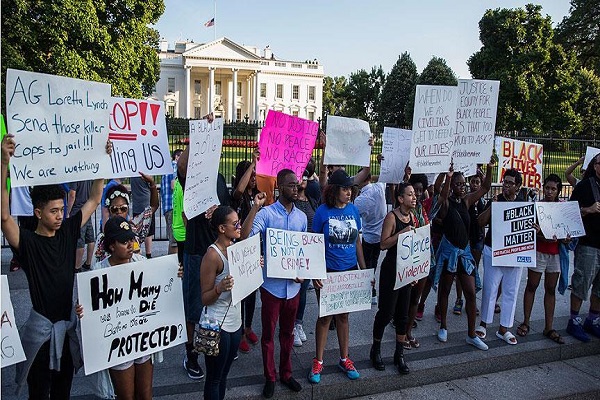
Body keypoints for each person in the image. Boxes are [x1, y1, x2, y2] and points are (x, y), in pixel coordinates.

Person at [1, 134, 111, 398]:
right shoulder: (27, 242)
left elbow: (94, 199)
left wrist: (102, 158)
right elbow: (4, 216)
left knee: (63, 393)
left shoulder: (69, 231)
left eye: (62, 209)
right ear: (38, 213)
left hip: (67, 332)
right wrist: (3, 163)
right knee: (38, 393)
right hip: (40, 337)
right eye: (54, 211)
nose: (61, 215)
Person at [240, 169, 305, 398]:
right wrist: (255, 208)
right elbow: (247, 237)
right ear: (279, 186)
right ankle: (270, 376)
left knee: (287, 334)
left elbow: (303, 250)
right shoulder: (266, 214)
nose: (295, 188)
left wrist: (304, 272)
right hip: (271, 287)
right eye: (290, 185)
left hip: (294, 287)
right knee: (268, 335)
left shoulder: (301, 218)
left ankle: (286, 373)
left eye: (296, 184)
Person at [76, 216, 155, 400]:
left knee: (145, 395)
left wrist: (175, 274)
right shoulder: (97, 273)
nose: (130, 245)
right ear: (111, 246)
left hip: (143, 340)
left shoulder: (142, 262)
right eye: (124, 241)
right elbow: (87, 308)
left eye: (131, 239)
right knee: (126, 396)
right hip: (118, 347)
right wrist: (81, 310)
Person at [177, 124, 232, 381]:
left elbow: (228, 210)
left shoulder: (219, 178)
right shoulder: (193, 174)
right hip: (196, 250)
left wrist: (216, 212)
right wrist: (197, 137)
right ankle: (191, 355)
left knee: (216, 300)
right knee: (193, 306)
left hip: (218, 251)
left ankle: (214, 344)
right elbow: (182, 166)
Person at [309, 169, 366, 384]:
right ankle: (318, 361)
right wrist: (315, 272)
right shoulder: (322, 212)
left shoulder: (353, 211)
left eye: (350, 188)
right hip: (327, 271)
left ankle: (344, 358)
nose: (349, 192)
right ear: (334, 190)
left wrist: (364, 270)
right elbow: (314, 244)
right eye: (344, 189)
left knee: (343, 316)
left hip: (349, 270)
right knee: (325, 317)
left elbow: (357, 242)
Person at [435, 159, 493, 351]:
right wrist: (448, 178)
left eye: (462, 184)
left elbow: (485, 187)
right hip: (449, 253)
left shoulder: (467, 201)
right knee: (445, 290)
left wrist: (490, 168)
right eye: (457, 184)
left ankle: (471, 334)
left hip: (465, 254)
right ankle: (443, 326)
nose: (461, 187)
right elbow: (441, 197)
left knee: (470, 292)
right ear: (451, 186)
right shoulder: (446, 204)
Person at [370, 182, 419, 374]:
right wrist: (401, 233)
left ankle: (399, 354)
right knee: (386, 312)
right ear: (400, 199)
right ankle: (376, 349)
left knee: (403, 314)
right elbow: (383, 244)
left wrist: (414, 271)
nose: (414, 197)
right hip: (391, 269)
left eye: (414, 194)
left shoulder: (412, 216)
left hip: (406, 270)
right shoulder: (392, 217)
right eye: (410, 194)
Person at [475, 168, 524, 346]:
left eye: (510, 183)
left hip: (514, 253)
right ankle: (483, 324)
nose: (506, 186)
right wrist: (492, 207)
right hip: (493, 250)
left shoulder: (522, 202)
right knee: (490, 288)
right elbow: (480, 222)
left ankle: (504, 328)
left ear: (518, 186)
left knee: (511, 290)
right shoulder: (496, 200)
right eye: (505, 182)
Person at [518, 174, 568, 344]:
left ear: (558, 191)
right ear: (543, 188)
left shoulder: (562, 208)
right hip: (538, 252)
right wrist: (540, 234)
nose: (549, 191)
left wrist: (566, 238)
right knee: (532, 285)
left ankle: (549, 326)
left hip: (554, 254)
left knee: (551, 288)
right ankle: (526, 322)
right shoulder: (536, 207)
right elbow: (530, 232)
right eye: (547, 188)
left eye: (553, 189)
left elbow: (565, 232)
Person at [199, 206, 243, 400]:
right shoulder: (212, 255)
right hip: (218, 323)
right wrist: (219, 288)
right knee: (215, 378)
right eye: (235, 223)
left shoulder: (236, 248)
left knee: (224, 374)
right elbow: (204, 298)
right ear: (222, 228)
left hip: (235, 321)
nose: (239, 226)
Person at [566, 153, 600, 342]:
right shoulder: (585, 186)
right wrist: (589, 209)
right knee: (581, 283)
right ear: (595, 165)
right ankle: (574, 320)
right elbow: (568, 213)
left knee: (599, 288)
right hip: (589, 244)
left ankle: (593, 319)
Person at [231, 154, 260, 354]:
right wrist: (252, 163)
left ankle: (248, 326)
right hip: (239, 248)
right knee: (241, 294)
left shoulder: (258, 195)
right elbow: (239, 190)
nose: (254, 178)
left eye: (255, 175)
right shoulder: (238, 198)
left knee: (252, 293)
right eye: (251, 174)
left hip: (254, 247)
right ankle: (240, 333)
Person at [93, 176, 158, 264]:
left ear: (127, 209)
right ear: (109, 210)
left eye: (123, 208)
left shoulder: (134, 227)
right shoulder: (102, 238)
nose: (119, 212)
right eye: (114, 209)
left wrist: (152, 184)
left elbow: (153, 206)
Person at [453, 171, 486, 315]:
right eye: (472, 182)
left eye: (477, 182)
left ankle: (470, 302)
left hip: (477, 239)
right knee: (460, 272)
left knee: (472, 270)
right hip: (463, 243)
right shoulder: (463, 201)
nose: (474, 185)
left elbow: (486, 187)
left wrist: (489, 170)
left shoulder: (481, 201)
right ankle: (459, 299)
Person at [293, 169, 319, 347]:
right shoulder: (291, 201)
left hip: (309, 252)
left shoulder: (313, 199)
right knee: (294, 290)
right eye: (298, 176)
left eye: (305, 176)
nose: (302, 180)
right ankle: (290, 324)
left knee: (303, 290)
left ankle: (298, 323)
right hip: (293, 251)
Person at [354, 170, 387, 305]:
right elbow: (383, 176)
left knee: (367, 265)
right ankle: (372, 291)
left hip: (369, 236)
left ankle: (370, 291)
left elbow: (355, 215)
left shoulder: (361, 199)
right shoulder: (379, 187)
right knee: (373, 262)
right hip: (381, 235)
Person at [67, 180, 95, 272]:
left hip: (77, 210)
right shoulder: (88, 176)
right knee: (90, 238)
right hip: (88, 208)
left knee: (79, 239)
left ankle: (77, 266)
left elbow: (72, 195)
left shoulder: (75, 177)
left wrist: (68, 212)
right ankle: (88, 263)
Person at [162, 149, 183, 255]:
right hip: (174, 207)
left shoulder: (167, 168)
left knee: (172, 240)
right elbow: (173, 184)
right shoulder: (175, 166)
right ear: (177, 157)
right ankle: (176, 267)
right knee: (175, 241)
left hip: (168, 207)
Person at [130, 175, 156, 258]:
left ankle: (138, 252)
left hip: (137, 206)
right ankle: (148, 254)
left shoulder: (132, 173)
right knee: (148, 230)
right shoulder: (146, 173)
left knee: (136, 231)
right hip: (147, 203)